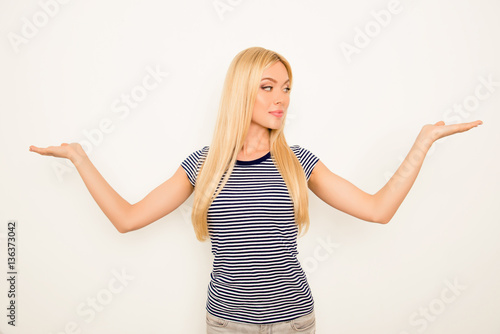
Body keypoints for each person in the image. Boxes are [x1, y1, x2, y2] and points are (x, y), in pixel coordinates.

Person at [29, 46, 483, 333]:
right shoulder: (204, 166)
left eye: (285, 87)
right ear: (241, 92)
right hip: (225, 325)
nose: (281, 98)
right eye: (267, 87)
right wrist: (81, 159)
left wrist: (422, 143)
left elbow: (378, 209)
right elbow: (127, 219)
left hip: (294, 323)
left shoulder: (298, 162)